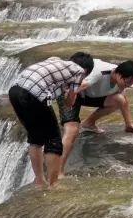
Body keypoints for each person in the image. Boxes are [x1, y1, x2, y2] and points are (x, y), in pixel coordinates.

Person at [7, 52, 94, 189]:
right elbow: (69, 103)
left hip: (14, 91)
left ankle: (40, 180)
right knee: (53, 138)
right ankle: (53, 184)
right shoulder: (79, 71)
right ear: (86, 71)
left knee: (35, 138)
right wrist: (76, 90)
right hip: (33, 94)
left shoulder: (56, 61)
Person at [57, 59, 133, 176]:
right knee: (72, 129)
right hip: (74, 91)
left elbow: (124, 102)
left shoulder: (121, 79)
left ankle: (89, 123)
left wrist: (128, 124)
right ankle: (58, 170)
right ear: (118, 74)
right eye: (127, 82)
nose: (128, 85)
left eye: (132, 84)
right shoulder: (101, 72)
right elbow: (79, 86)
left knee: (119, 99)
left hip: (90, 95)